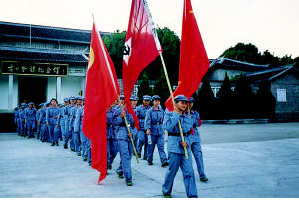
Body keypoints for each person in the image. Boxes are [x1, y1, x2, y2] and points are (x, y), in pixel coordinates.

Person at [162, 95, 198, 198]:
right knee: (172, 171)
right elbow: (167, 127)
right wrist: (176, 115)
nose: (184, 105)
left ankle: (192, 195)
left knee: (189, 172)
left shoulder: (188, 116)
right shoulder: (169, 113)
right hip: (174, 147)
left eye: (185, 103)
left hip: (185, 147)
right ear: (175, 103)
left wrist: (187, 142)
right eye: (182, 102)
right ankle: (166, 190)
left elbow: (191, 132)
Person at [113, 101, 134, 186]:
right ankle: (128, 178)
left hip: (130, 135)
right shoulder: (118, 110)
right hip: (122, 135)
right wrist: (121, 117)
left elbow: (135, 124)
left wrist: (133, 133)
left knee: (129, 155)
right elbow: (114, 122)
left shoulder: (132, 110)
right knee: (125, 156)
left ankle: (120, 169)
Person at [188, 97, 208, 182]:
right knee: (187, 158)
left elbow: (199, 123)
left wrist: (191, 119)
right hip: (186, 138)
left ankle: (202, 174)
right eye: (188, 102)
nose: (190, 104)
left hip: (195, 137)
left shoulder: (195, 113)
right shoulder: (181, 113)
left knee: (199, 156)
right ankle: (188, 175)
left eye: (191, 102)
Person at [144, 95, 168, 167]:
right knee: (151, 147)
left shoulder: (161, 111)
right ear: (153, 102)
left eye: (158, 101)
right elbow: (147, 120)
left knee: (161, 146)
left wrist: (164, 129)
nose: (157, 102)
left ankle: (164, 160)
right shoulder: (150, 111)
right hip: (152, 130)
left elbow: (163, 120)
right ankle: (150, 159)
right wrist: (148, 129)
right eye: (156, 101)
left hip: (160, 130)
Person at [136, 95, 151, 160]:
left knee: (147, 142)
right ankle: (138, 152)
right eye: (145, 101)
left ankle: (145, 155)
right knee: (141, 139)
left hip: (148, 127)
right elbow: (136, 117)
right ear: (143, 101)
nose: (146, 102)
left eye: (148, 101)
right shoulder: (139, 108)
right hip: (141, 127)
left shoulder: (150, 109)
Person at [107, 104, 118, 170]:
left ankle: (109, 163)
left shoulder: (115, 111)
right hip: (104, 133)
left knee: (114, 151)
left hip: (113, 133)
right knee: (106, 152)